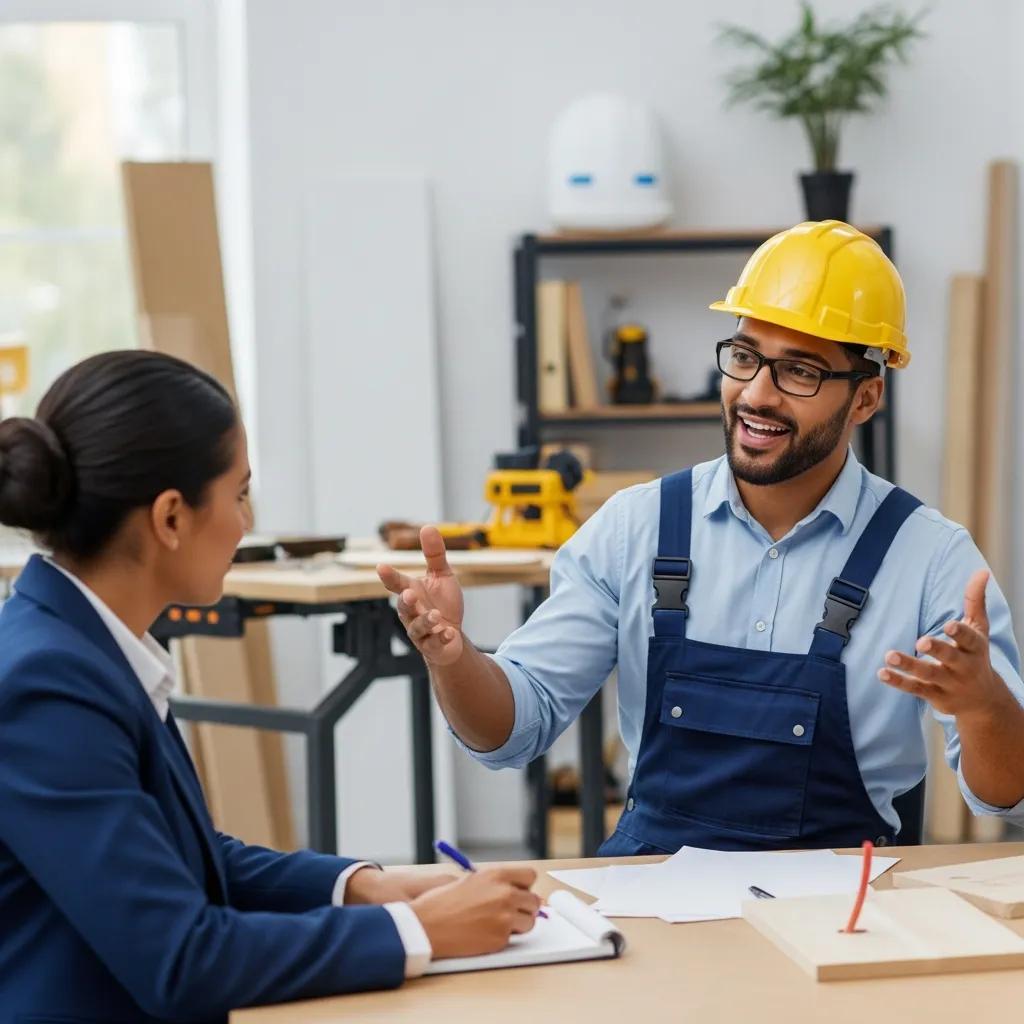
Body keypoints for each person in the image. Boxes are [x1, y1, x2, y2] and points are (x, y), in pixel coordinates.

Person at [380, 220, 1024, 855]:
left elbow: (1008, 797)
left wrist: (984, 705)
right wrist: (455, 661)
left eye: (799, 371)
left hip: (844, 906)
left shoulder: (930, 558)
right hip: (653, 896)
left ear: (865, 399)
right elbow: (513, 730)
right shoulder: (635, 529)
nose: (757, 395)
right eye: (744, 358)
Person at [0, 350, 540, 1022]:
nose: (247, 523)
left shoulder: (81, 646)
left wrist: (362, 887)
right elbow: (183, 961)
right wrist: (420, 931)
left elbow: (181, 857)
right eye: (239, 494)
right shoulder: (46, 686)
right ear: (171, 518)